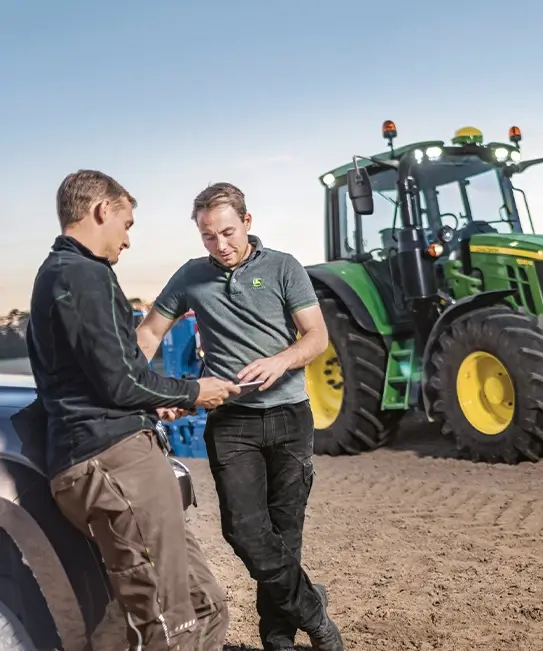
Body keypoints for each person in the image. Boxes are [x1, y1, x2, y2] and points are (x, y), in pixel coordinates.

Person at [26, 169, 241, 650]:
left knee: (204, 605)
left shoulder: (62, 276)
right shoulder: (82, 273)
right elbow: (120, 379)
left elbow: (105, 379)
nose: (127, 241)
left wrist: (155, 404)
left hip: (119, 449)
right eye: (126, 224)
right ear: (102, 210)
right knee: (168, 627)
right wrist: (190, 392)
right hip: (112, 459)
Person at [136, 182, 342, 651]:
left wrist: (281, 360)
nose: (220, 245)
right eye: (209, 236)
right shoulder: (191, 276)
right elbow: (149, 333)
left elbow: (316, 337)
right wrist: (133, 383)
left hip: (291, 417)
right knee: (245, 532)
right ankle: (313, 610)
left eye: (227, 232)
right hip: (232, 423)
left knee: (284, 538)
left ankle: (279, 643)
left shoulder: (283, 267)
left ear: (247, 223)